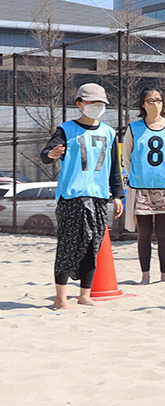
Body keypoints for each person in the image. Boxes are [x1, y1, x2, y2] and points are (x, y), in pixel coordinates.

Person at [39, 83, 124, 309]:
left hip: (98, 196)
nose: (98, 107)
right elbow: (45, 155)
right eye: (92, 103)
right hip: (72, 197)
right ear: (80, 104)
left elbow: (114, 167)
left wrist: (117, 196)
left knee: (92, 245)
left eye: (101, 104)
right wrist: (52, 153)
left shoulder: (109, 132)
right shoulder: (66, 130)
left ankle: (85, 295)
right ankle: (60, 298)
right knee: (68, 245)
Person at [122, 87, 165, 284]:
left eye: (158, 100)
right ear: (142, 104)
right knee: (144, 233)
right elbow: (127, 158)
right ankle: (145, 275)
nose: (154, 104)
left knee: (163, 233)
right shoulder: (134, 128)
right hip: (141, 187)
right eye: (150, 100)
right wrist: (135, 177)